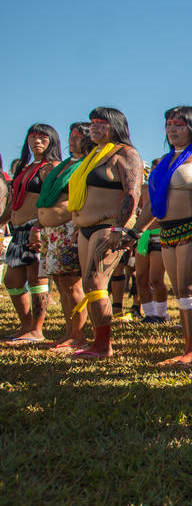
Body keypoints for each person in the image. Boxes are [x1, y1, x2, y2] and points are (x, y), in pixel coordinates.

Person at [138, 106, 192, 367]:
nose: (173, 129)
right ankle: (187, 350)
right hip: (166, 232)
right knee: (180, 293)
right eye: (169, 124)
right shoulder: (163, 160)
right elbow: (151, 204)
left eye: (180, 125)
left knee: (190, 291)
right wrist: (137, 230)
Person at [68, 107, 144, 359]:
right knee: (90, 284)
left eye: (101, 123)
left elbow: (132, 193)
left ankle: (103, 345)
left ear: (116, 126)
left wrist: (119, 228)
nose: (94, 127)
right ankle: (96, 341)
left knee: (95, 282)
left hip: (108, 226)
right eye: (92, 123)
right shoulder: (95, 155)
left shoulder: (126, 154)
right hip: (86, 228)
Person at [32, 122, 92, 351]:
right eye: (71, 135)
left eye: (78, 136)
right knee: (60, 283)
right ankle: (69, 333)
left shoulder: (87, 165)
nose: (72, 139)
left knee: (72, 283)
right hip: (52, 232)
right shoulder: (66, 164)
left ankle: (79, 335)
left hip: (69, 229)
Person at [4, 124, 61, 343]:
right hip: (18, 230)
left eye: (42, 137)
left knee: (36, 278)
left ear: (51, 141)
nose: (36, 141)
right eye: (33, 137)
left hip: (37, 229)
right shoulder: (25, 167)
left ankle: (37, 330)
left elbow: (53, 200)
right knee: (12, 280)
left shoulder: (52, 167)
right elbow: (13, 202)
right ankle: (26, 325)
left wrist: (40, 227)